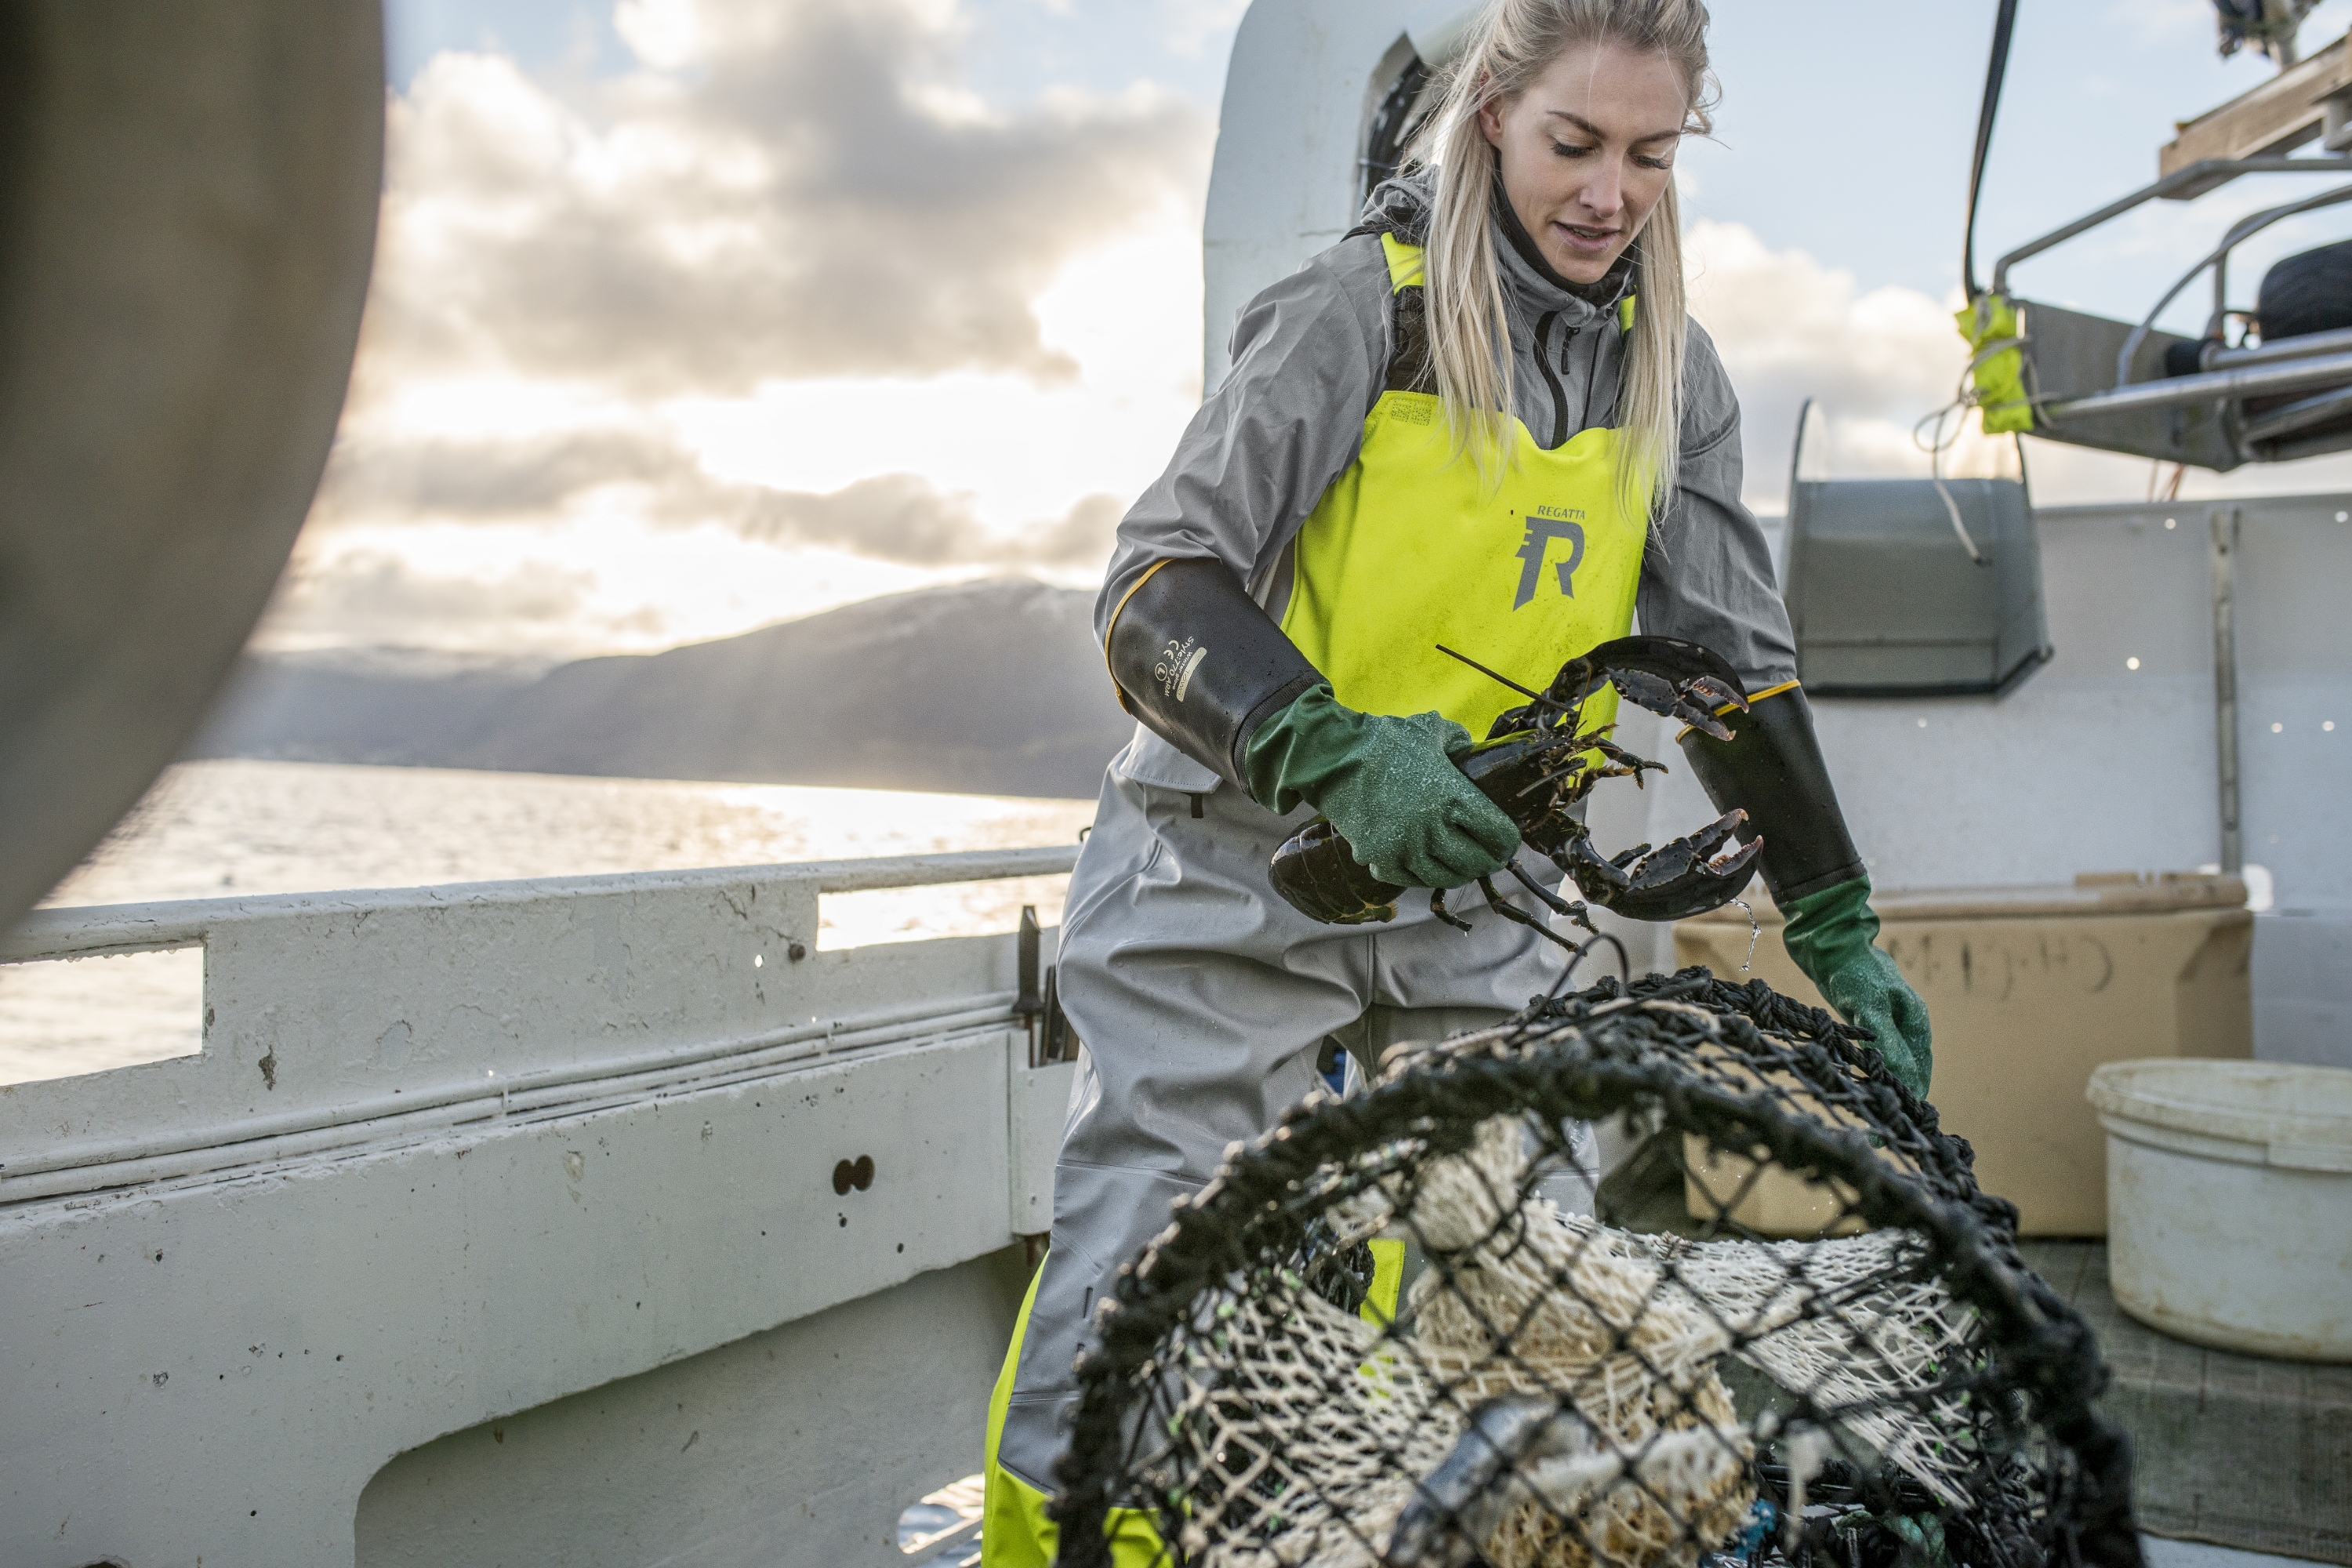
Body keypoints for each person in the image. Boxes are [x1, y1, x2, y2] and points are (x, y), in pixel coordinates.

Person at [979, 2, 1933, 1561]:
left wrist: (1834, 912)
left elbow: (1728, 665)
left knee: (1503, 1255)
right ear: (1491, 113)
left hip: (1473, 884)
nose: (1609, 192)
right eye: (1575, 142)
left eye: (1648, 153)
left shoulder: (1672, 378)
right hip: (1232, 857)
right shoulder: (1355, 312)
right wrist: (1331, 748)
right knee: (1151, 1245)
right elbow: (1155, 589)